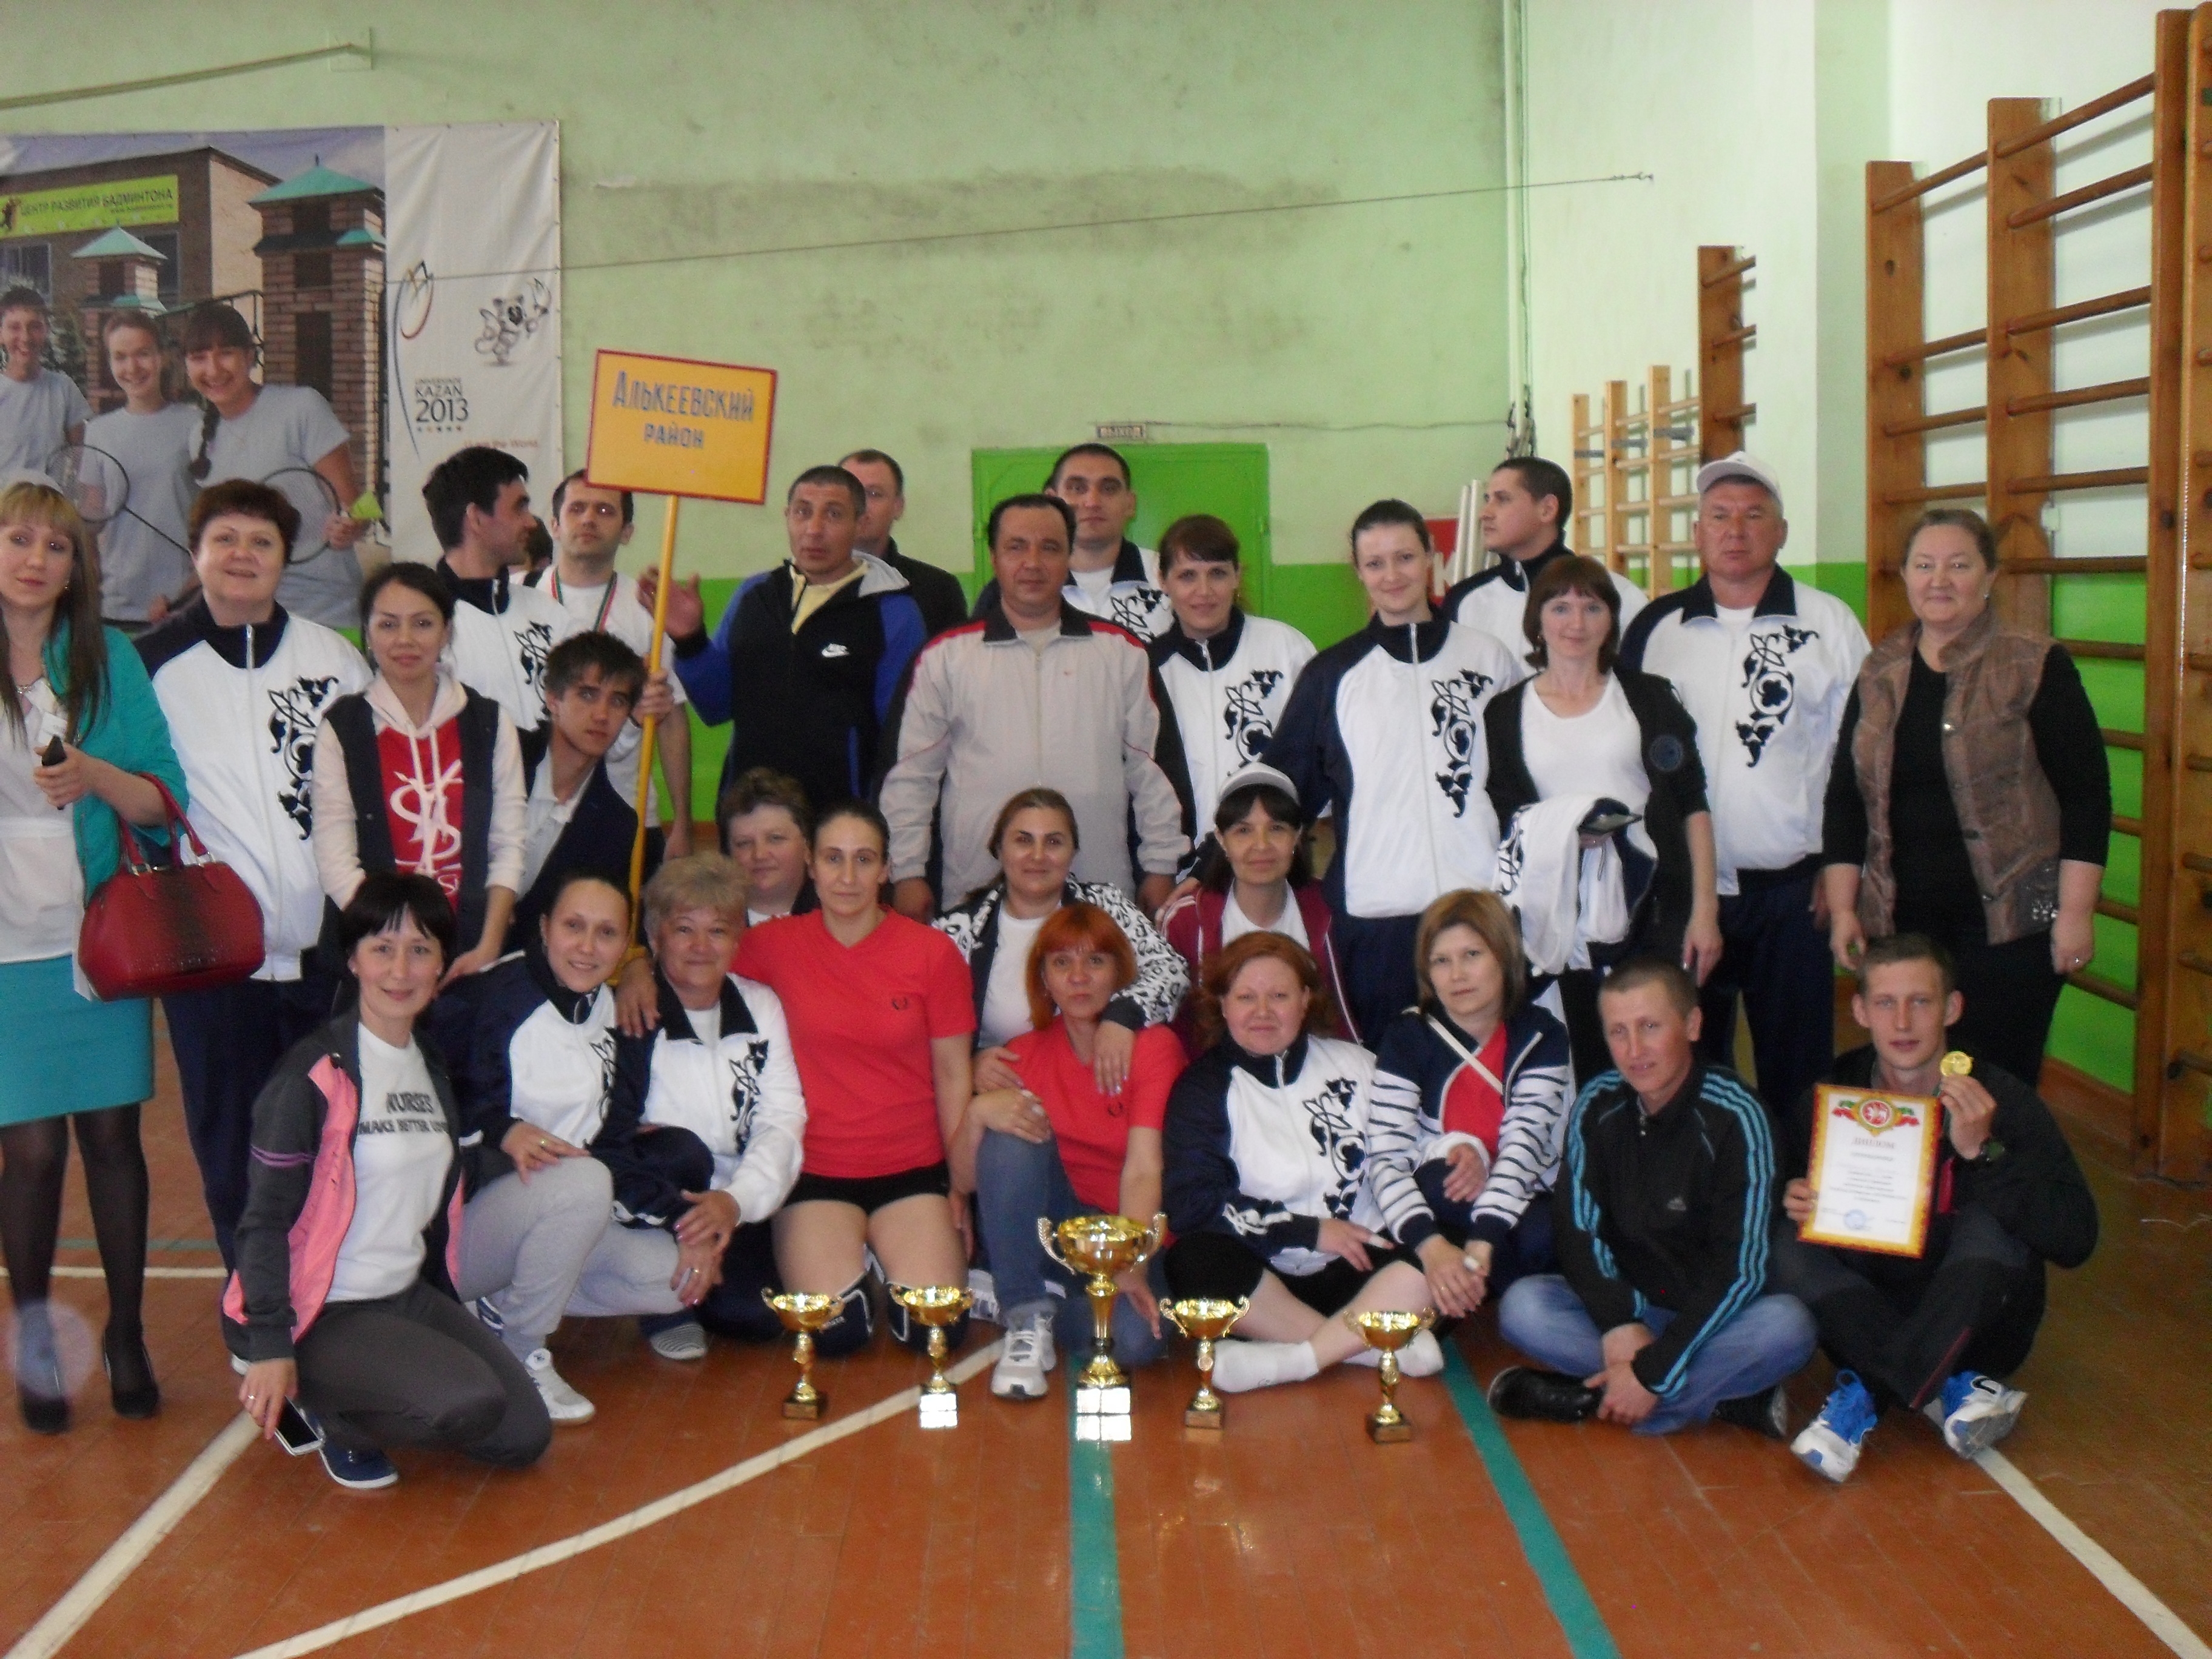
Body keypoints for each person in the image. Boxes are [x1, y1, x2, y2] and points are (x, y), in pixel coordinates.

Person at [228, 874, 551, 1489]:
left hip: (404, 1295)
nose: (401, 970)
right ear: (353, 960)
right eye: (382, 948)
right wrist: (270, 1343)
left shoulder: (427, 1063)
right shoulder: (311, 1075)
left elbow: (432, 1179)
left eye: (420, 950)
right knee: (468, 1402)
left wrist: (514, 1151)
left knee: (522, 1435)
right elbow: (264, 1219)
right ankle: (335, 1415)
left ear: (441, 964)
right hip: (322, 1311)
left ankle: (381, 1388)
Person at [137, 480, 369, 1268]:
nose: (243, 555)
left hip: (324, 953)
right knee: (230, 1136)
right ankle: (253, 1300)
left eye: (262, 542)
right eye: (225, 539)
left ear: (285, 557)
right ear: (196, 552)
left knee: (327, 1131)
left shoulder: (334, 660)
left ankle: (328, 1292)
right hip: (211, 957)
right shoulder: (150, 664)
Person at [1776, 935, 2097, 1482]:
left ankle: (1869, 1392)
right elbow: (1771, 1206)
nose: (1903, 1022)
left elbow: (2077, 1237)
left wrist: (1984, 1155)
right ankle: (1950, 1388)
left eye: (1921, 1002)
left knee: (1991, 1221)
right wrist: (1791, 1198)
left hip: (1977, 1333)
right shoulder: (1831, 1098)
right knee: (1784, 1242)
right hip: (1866, 1316)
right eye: (1885, 1003)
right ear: (1860, 1011)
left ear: (1951, 1008)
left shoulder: (1999, 1097)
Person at [0, 480, 183, 1433]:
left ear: (77, 566)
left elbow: (163, 799)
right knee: (30, 1152)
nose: (35, 559)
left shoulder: (109, 657)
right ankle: (35, 1341)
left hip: (97, 936)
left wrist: (94, 775)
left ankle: (127, 1334)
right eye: (18, 539)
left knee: (112, 1140)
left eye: (56, 546)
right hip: (4, 948)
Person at [1822, 509, 2110, 1085]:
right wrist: (1845, 908)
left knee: (1995, 1083)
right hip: (1902, 922)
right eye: (1924, 565)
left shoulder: (2034, 663)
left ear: (1990, 575)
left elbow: (2087, 797)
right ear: (1906, 575)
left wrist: (2076, 914)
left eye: (1959, 565)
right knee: (1909, 1078)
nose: (1939, 580)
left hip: (2009, 928)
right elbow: (1846, 798)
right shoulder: (1880, 670)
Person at [1620, 453, 1868, 1121]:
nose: (1736, 531)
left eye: (1754, 516)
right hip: (1678, 892)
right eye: (1719, 516)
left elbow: (1858, 761)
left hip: (1791, 892)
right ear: (1697, 532)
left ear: (1782, 532)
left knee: (1798, 1068)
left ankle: (1796, 1179)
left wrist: (1840, 872)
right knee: (1686, 1067)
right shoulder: (1655, 629)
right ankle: (1705, 1182)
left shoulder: (1829, 624)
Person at [1489, 958, 1815, 1436]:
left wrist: (1652, 1373)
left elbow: (1740, 1271)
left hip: (1713, 1319)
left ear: (1693, 1025)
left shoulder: (1739, 1118)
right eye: (1618, 1032)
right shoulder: (1597, 1103)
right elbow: (1576, 1231)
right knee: (1523, 1307)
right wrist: (1618, 1322)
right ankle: (1719, 1400)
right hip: (1630, 1312)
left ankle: (1594, 1397)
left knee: (1789, 1327)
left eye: (1650, 1027)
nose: (1634, 1050)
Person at [1259, 498, 1521, 1041]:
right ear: (1358, 571)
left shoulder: (1489, 660)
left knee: (1483, 1065)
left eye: (1404, 557)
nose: (1392, 575)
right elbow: (1282, 791)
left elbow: (1522, 778)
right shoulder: (1332, 674)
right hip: (1377, 917)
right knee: (1389, 1069)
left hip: (1479, 904)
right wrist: (1214, 867)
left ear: (1430, 558)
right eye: (1375, 563)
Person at [731, 803, 976, 1357]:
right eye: (833, 859)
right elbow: (691, 966)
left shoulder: (931, 953)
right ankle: (854, 1261)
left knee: (936, 1331)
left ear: (886, 869)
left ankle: (889, 1260)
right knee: (835, 1334)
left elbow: (952, 1072)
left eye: (864, 860)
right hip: (815, 1169)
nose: (847, 877)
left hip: (911, 1168)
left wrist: (959, 1185)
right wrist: (638, 974)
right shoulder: (769, 947)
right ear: (811, 866)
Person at [1161, 933, 1444, 1393]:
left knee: (1447, 1246)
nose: (1263, 1012)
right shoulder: (1201, 1090)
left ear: (1306, 999)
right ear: (1222, 1004)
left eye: (1279, 996)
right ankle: (1374, 1348)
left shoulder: (1358, 1064)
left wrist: (1459, 1150)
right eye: (1246, 997)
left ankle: (1300, 1359)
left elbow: (1418, 1140)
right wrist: (1309, 1232)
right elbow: (1192, 1203)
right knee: (1193, 1262)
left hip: (1364, 1267)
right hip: (1269, 1281)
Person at [881, 493, 1188, 916]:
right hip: (975, 888)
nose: (1033, 563)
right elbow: (911, 777)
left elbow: (1153, 772)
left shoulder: (1122, 653)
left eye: (1050, 548)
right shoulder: (945, 657)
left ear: (1069, 556)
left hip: (1098, 891)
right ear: (994, 558)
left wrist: (1161, 865)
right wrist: (907, 872)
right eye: (1016, 547)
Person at [1484, 553, 1721, 1081]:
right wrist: (1564, 834)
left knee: (1666, 1048)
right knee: (1593, 1054)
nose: (1576, 623)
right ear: (1538, 620)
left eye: (1592, 608)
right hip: (1563, 915)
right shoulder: (1505, 713)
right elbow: (1508, 818)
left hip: (1655, 905)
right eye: (1561, 608)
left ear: (1611, 620)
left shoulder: (1648, 697)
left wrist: (1705, 910)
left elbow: (1692, 804)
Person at [575, 857, 808, 1360]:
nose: (701, 946)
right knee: (680, 1150)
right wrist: (689, 1225)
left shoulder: (761, 1006)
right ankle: (666, 1302)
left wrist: (735, 1202)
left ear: (737, 939)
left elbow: (782, 1118)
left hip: (730, 1195)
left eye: (717, 931)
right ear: (655, 938)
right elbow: (611, 1138)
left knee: (757, 1317)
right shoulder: (629, 1012)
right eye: (684, 929)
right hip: (654, 1192)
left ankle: (688, 1278)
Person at [967, 902, 1184, 1399]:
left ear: (1120, 974)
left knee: (1133, 1341)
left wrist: (1132, 1264)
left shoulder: (1154, 1047)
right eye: (1062, 963)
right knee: (1009, 1130)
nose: (1079, 978)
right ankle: (1025, 1312)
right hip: (1058, 1228)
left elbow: (1143, 1169)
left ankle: (1029, 1299)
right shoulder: (1020, 1054)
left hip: (1127, 1228)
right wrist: (977, 1113)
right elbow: (967, 1179)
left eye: (1096, 962)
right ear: (1044, 979)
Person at [447, 871, 627, 1424]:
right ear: (544, 929)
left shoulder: (609, 1004)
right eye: (574, 927)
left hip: (548, 1208)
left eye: (607, 933)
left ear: (627, 945)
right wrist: (499, 1128)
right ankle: (520, 1351)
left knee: (666, 1279)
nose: (588, 947)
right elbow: (432, 1090)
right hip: (461, 1224)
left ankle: (502, 1303)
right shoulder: (494, 998)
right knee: (588, 1184)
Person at [653, 464, 923, 814]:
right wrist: (691, 640)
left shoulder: (892, 612)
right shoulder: (754, 595)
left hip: (841, 821)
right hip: (749, 817)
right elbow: (715, 706)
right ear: (787, 517)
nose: (814, 529)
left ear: (859, 524)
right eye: (802, 512)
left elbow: (902, 735)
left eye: (834, 514)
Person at [309, 563, 526, 994]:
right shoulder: (343, 727)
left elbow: (509, 843)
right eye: (388, 624)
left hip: (469, 954)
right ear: (368, 633)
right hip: (376, 957)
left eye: (423, 624)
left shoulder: (488, 722)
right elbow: (335, 860)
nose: (405, 640)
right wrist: (400, 950)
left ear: (447, 632)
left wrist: (489, 945)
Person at [1368, 890, 1572, 1320]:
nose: (1457, 975)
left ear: (1504, 956)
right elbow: (1386, 1156)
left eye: (1472, 955)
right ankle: (1507, 1299)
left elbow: (1523, 1148)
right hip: (1446, 1202)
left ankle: (1488, 1293)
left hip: (1524, 1193)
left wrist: (1481, 1247)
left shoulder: (1543, 1035)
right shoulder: (1407, 1036)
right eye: (1441, 961)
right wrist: (1431, 1248)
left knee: (1546, 1235)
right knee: (1441, 1182)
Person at [937, 788, 1188, 1065]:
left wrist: (1123, 1016)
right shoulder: (956, 931)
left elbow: (1172, 971)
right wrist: (972, 1063)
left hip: (1099, 1076)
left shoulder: (1106, 905)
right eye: (1024, 840)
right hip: (1007, 1085)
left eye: (1054, 842)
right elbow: (925, 1028)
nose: (1038, 855)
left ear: (1073, 852)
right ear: (999, 849)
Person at [530, 472, 692, 854]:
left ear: (627, 531)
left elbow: (670, 718)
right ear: (555, 525)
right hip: (530, 807)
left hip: (625, 809)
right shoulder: (519, 595)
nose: (589, 519)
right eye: (577, 509)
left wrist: (683, 822)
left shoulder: (648, 608)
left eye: (604, 511)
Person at [180, 301, 365, 630]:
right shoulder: (199, 438)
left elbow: (365, 504)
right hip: (248, 616)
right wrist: (178, 600)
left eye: (226, 354)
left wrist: (356, 523)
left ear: (250, 357)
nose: (213, 369)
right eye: (199, 358)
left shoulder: (302, 408)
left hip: (326, 612)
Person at [1158, 765, 1351, 1048]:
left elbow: (1345, 1017)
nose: (1261, 845)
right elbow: (1173, 1023)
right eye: (1243, 831)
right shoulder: (1185, 919)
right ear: (1222, 840)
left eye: (1276, 829)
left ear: (1297, 837)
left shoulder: (1330, 909)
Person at [1148, 514, 1315, 831]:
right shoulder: (1147, 668)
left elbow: (1316, 759)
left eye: (1218, 573)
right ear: (1163, 580)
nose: (1204, 591)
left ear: (1237, 575)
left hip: (1271, 848)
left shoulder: (1286, 649)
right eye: (1187, 576)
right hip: (1182, 854)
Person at [423, 445, 578, 736]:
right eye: (519, 507)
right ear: (476, 518)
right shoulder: (424, 629)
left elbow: (584, 730)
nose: (531, 522)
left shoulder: (550, 614)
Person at [510, 631, 648, 945]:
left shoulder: (616, 824)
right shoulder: (499, 755)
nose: (602, 715)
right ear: (553, 699)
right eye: (587, 695)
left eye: (618, 701)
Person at [970, 444, 1173, 639]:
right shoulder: (1009, 589)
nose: (1092, 502)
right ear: (1052, 500)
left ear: (1130, 504)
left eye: (1109, 488)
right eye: (1077, 488)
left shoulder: (1171, 575)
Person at [1444, 458, 1644, 650]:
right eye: (1487, 499)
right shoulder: (1465, 600)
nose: (1485, 513)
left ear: (1547, 510)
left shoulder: (1618, 595)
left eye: (1503, 499)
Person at [85, 311, 198, 631]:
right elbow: (91, 521)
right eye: (120, 357)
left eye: (143, 354)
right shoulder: (98, 432)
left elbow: (215, 516)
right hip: (116, 602)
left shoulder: (195, 424)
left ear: (162, 357)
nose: (132, 367)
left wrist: (191, 587)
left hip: (182, 601)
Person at [841, 447, 970, 638]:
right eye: (851, 492)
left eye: (874, 494)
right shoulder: (799, 586)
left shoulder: (938, 590)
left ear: (898, 507)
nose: (861, 505)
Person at [0, 286, 88, 477]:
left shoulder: (63, 389)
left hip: (51, 494)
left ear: (46, 330)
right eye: (14, 327)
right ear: (1, 334)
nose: (25, 337)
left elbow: (84, 460)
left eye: (35, 327)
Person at [719, 766, 817, 923]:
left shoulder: (838, 920)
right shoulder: (705, 923)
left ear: (808, 848)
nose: (760, 855)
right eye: (744, 843)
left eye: (775, 839)